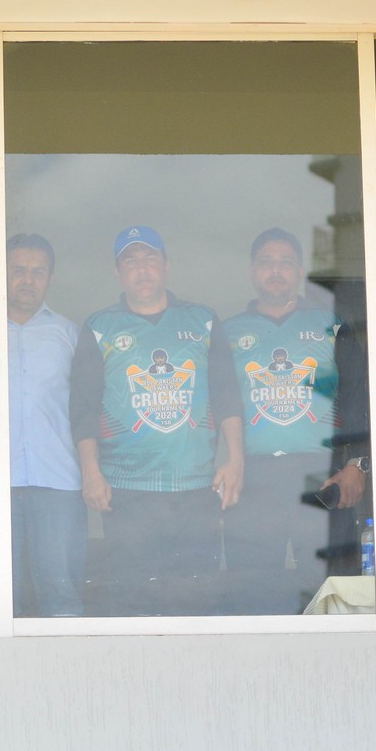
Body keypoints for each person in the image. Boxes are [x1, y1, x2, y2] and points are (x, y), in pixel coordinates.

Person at [70, 225, 244, 615]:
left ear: (167, 265)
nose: (142, 269)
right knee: (133, 605)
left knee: (195, 603)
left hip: (196, 488)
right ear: (117, 272)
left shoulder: (202, 321)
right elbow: (83, 408)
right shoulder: (99, 328)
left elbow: (227, 396)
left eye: (150, 259)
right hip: (127, 491)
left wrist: (236, 461)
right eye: (131, 261)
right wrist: (90, 473)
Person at [223, 227, 368, 613]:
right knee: (252, 591)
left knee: (330, 590)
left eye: (285, 262)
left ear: (300, 270)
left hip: (320, 474)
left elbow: (360, 397)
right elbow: (215, 408)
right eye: (267, 262)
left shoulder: (330, 324)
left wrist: (356, 464)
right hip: (253, 478)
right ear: (252, 271)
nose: (276, 271)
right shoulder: (228, 333)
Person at [0, 234, 86, 630]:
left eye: (37, 271)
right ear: (1, 274)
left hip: (57, 482)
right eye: (18, 270)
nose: (27, 280)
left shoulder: (69, 335)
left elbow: (86, 409)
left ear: (50, 278)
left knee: (60, 595)